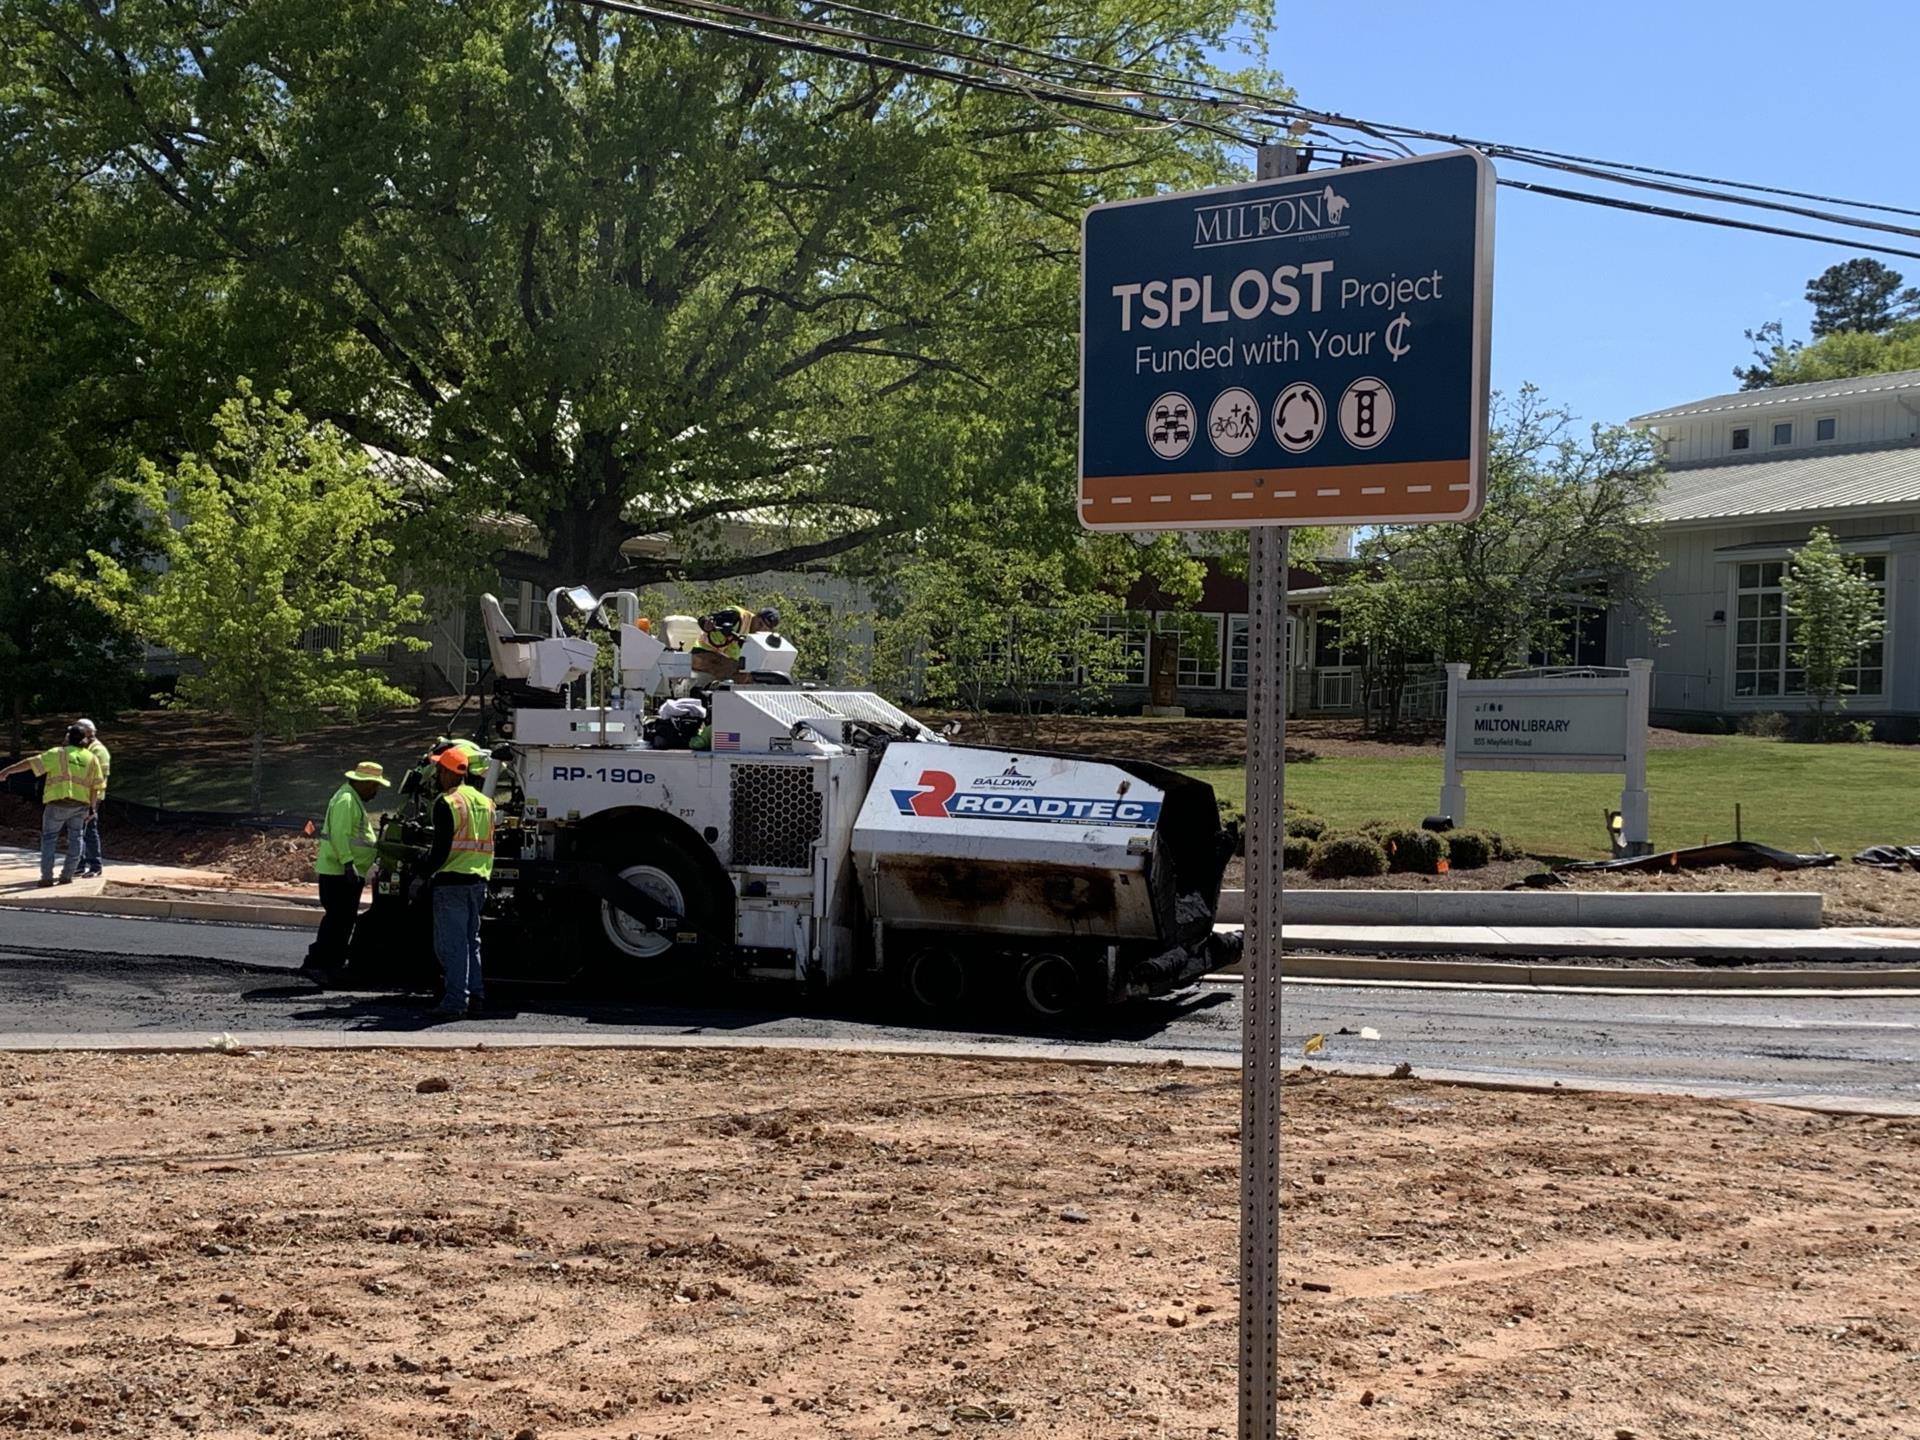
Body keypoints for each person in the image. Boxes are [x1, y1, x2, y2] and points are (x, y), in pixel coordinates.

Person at [301, 761, 390, 983]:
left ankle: (331, 965)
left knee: (342, 920)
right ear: (365, 783)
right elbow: (340, 834)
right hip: (340, 872)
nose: (376, 791)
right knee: (337, 921)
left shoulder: (351, 798)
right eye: (374, 786)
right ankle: (318, 965)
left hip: (346, 871)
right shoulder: (346, 800)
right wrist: (349, 863)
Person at [422, 747, 494, 1018]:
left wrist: (422, 873)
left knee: (451, 945)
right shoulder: (485, 801)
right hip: (479, 881)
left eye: (440, 770)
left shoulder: (447, 802)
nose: (438, 775)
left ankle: (454, 1002)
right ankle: (476, 996)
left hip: (451, 881)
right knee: (470, 941)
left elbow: (440, 851)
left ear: (448, 772)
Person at [0, 726, 106, 887]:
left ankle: (47, 877)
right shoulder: (91, 759)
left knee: (49, 839)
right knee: (76, 838)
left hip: (57, 804)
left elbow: (31, 763)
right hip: (80, 806)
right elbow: (95, 787)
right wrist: (92, 808)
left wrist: (7, 771)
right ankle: (67, 875)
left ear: (68, 737)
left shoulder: (58, 754)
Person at [689, 604, 781, 685]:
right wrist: (707, 624)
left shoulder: (759, 638)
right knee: (735, 669)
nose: (759, 629)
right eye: (760, 624)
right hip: (700, 655)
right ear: (756, 616)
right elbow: (708, 619)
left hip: (721, 660)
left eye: (765, 628)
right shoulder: (737, 616)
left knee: (750, 676)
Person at [73, 719, 110, 878]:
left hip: (92, 798)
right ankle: (79, 865)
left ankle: (95, 866)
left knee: (89, 831)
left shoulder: (98, 751)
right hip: (82, 796)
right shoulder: (87, 749)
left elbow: (98, 780)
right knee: (79, 831)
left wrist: (92, 803)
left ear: (87, 733)